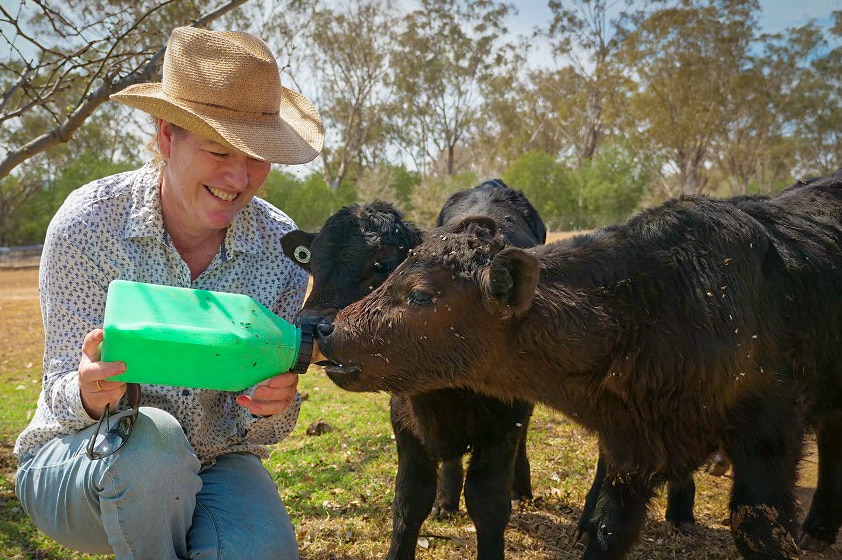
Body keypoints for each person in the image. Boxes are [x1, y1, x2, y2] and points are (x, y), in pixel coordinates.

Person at [13, 26, 324, 560]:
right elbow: (61, 388)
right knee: (152, 447)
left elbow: (259, 430)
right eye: (218, 150)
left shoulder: (280, 249)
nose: (238, 177)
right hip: (78, 456)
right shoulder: (89, 225)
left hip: (214, 461)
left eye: (256, 157)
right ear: (165, 137)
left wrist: (275, 406)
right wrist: (88, 392)